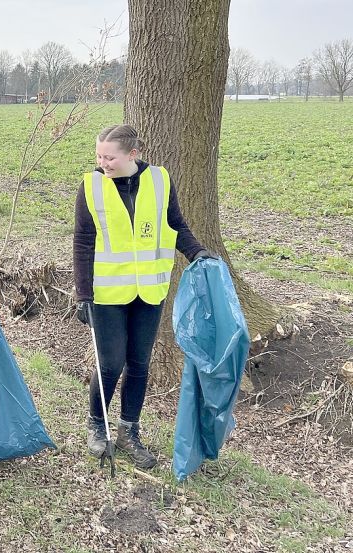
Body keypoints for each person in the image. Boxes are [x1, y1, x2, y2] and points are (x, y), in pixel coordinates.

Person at [73, 124, 218, 469]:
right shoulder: (91, 186)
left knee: (139, 363)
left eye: (109, 157)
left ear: (133, 155)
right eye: (99, 156)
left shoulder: (160, 180)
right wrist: (83, 294)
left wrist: (197, 252)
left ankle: (128, 430)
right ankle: (97, 426)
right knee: (110, 364)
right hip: (106, 293)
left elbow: (176, 224)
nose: (102, 163)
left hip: (150, 290)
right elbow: (82, 242)